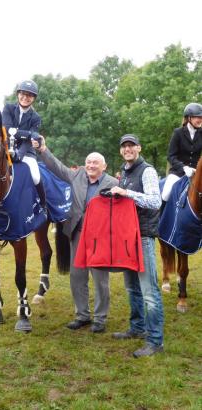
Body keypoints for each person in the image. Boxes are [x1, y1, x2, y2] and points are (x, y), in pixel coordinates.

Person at [33, 137, 118, 333]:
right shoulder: (77, 175)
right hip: (77, 233)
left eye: (95, 162)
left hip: (100, 238)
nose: (91, 165)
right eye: (88, 162)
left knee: (100, 280)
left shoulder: (112, 183)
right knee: (77, 276)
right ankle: (82, 315)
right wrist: (44, 149)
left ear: (103, 166)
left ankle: (100, 318)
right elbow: (58, 167)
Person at [110, 134, 164, 358]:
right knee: (132, 287)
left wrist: (126, 193)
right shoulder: (124, 173)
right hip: (127, 237)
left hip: (143, 236)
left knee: (149, 291)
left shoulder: (147, 171)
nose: (128, 149)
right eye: (124, 146)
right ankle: (137, 328)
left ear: (139, 148)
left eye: (131, 146)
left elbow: (155, 201)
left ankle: (154, 341)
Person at [2, 80, 46, 207]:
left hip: (27, 152)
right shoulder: (8, 108)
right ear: (18, 94)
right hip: (6, 148)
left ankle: (43, 205)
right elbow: (7, 129)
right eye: (23, 93)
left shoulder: (36, 117)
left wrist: (19, 155)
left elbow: (30, 141)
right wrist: (28, 134)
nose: (25, 97)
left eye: (30, 95)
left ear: (34, 98)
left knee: (36, 176)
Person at [161, 102, 202, 202]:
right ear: (189, 118)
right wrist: (184, 168)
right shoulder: (178, 133)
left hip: (196, 173)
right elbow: (171, 156)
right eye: (198, 117)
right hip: (178, 172)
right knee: (165, 195)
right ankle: (161, 217)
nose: (200, 120)